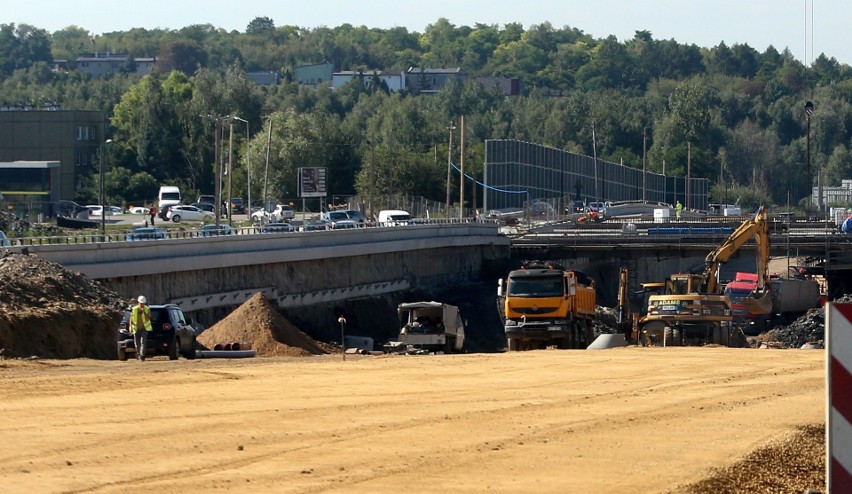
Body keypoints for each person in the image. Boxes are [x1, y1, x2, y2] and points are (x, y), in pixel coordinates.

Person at [130, 295, 152, 361]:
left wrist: (144, 312)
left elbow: (149, 318)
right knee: (137, 344)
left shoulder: (147, 309)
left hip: (144, 329)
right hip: (136, 329)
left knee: (143, 342)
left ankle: (142, 356)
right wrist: (130, 327)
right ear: (138, 302)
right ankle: (138, 354)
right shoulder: (134, 309)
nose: (142, 304)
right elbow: (131, 318)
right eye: (141, 303)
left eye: (143, 303)